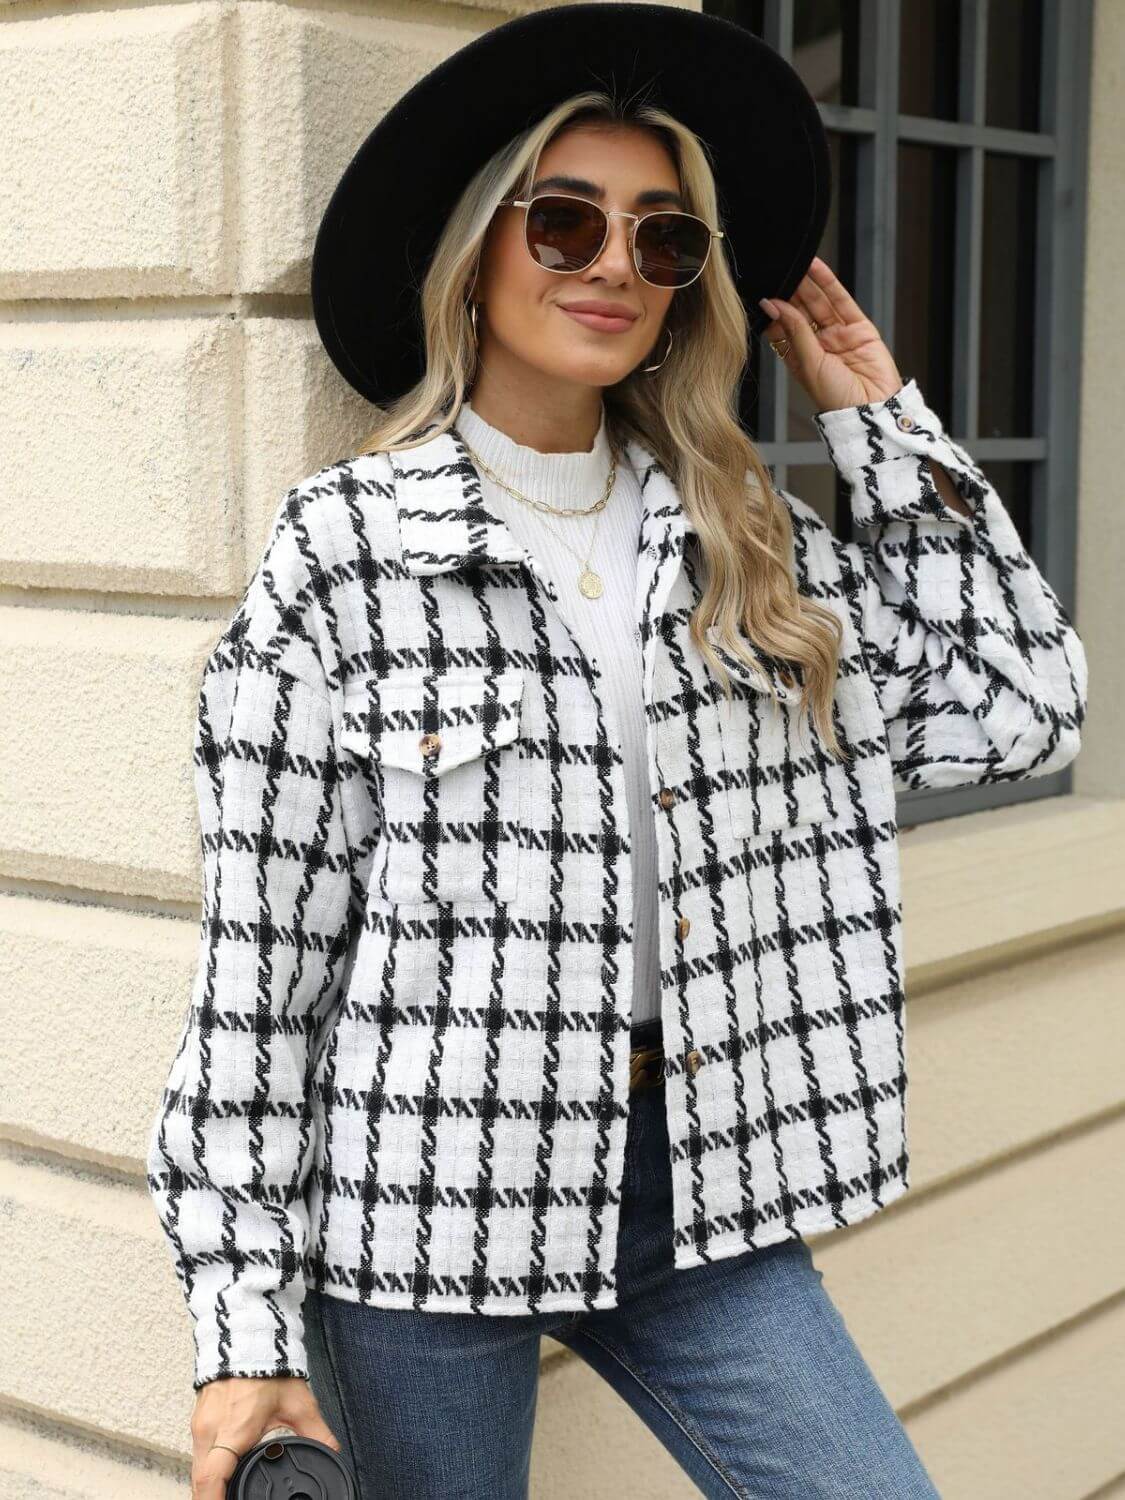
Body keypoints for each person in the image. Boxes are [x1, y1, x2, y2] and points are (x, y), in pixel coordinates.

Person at [145, 6, 1088, 1498]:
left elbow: (1020, 710)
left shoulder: (744, 542)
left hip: (695, 1181)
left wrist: (884, 426)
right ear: (478, 248)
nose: (608, 266)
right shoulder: (349, 554)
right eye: (565, 220)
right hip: (424, 1201)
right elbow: (262, 977)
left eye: (661, 242)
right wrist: (237, 1326)